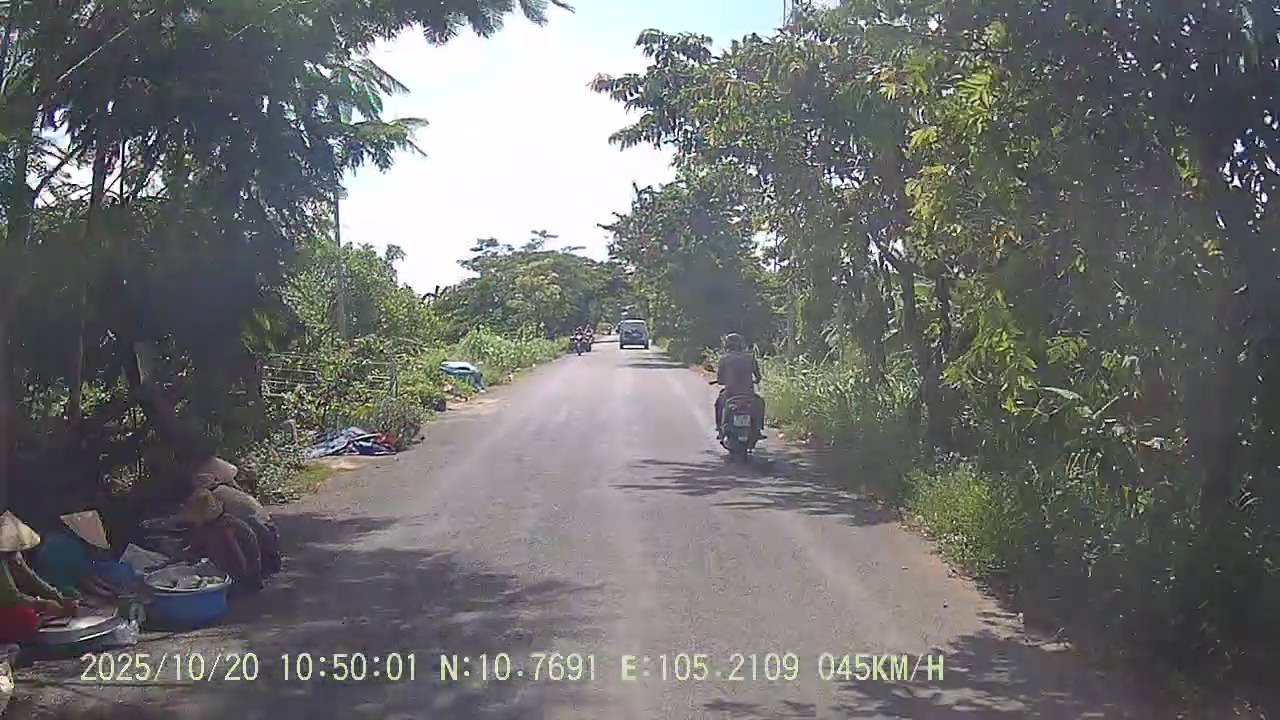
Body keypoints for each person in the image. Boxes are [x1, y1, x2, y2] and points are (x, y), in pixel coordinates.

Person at [191, 458, 281, 577]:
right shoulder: (230, 492)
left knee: (217, 534)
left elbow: (202, 522)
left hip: (260, 537)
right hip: (268, 532)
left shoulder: (216, 496)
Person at [0, 512, 77, 643]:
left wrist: (58, 597)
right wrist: (43, 605)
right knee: (26, 616)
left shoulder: (13, 554)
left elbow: (30, 579)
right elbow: (10, 596)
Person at [179, 490, 264, 592]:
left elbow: (239, 565)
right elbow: (197, 546)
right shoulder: (210, 525)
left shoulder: (225, 529)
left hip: (243, 580)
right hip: (231, 570)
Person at [34, 510, 117, 601]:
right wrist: (108, 593)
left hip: (50, 582)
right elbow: (85, 581)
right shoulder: (72, 546)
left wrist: (109, 589)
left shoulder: (67, 540)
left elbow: (87, 577)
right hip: (53, 586)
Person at [714, 333, 765, 439]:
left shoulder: (724, 359)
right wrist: (755, 380)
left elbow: (720, 380)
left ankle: (719, 429)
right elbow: (758, 377)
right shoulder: (750, 357)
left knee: (718, 404)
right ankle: (758, 429)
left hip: (730, 394)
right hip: (748, 394)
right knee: (760, 403)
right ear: (742, 344)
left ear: (727, 345)